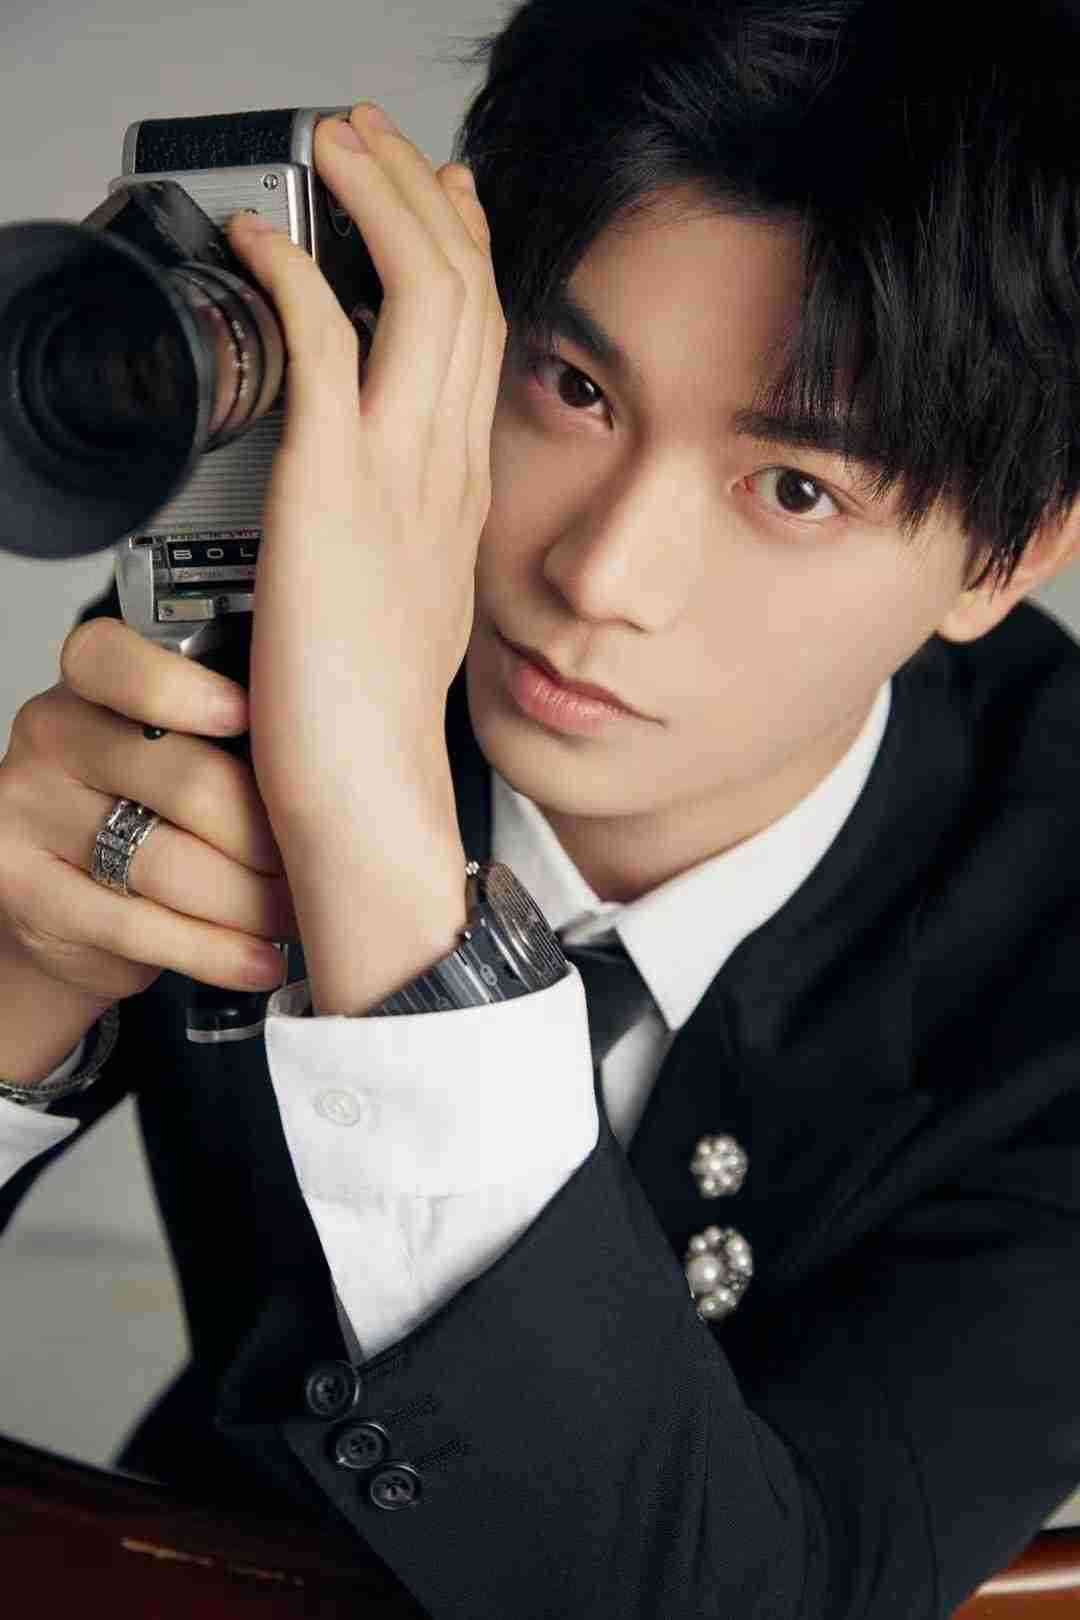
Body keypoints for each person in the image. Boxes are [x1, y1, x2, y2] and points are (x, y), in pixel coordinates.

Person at [1, 0, 1079, 1613]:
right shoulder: (250, 641)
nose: (598, 575)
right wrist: (16, 998)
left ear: (1010, 555)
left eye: (794, 488)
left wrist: (385, 870)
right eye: (572, 386)